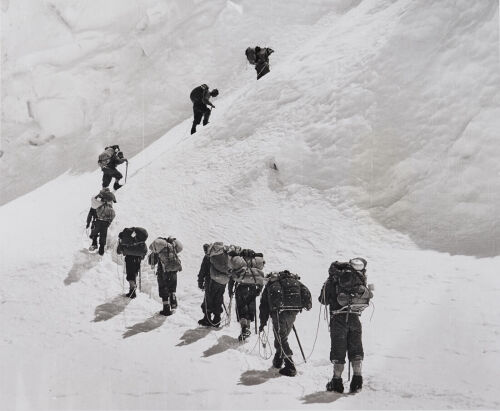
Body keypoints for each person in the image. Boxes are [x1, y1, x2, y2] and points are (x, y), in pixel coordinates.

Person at [319, 258, 374, 393]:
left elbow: (323, 300)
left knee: (338, 350)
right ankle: (357, 380)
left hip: (338, 319)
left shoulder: (333, 280)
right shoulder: (358, 277)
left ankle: (336, 382)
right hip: (354, 317)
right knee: (356, 350)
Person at [259, 270, 312, 377]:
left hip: (279, 311)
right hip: (293, 311)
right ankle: (278, 360)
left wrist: (262, 322)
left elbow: (264, 305)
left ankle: (290, 366)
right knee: (282, 336)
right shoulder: (293, 282)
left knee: (281, 337)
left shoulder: (271, 284)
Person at [149, 236, 183, 316]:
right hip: (174, 270)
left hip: (163, 272)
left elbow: (152, 262)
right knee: (172, 287)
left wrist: (153, 255)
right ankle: (173, 301)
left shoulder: (159, 249)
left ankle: (166, 308)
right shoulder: (172, 246)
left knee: (163, 288)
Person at [197, 244, 227, 327]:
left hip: (211, 281)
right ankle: (217, 319)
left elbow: (202, 270)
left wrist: (200, 282)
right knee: (218, 298)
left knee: (208, 299)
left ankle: (207, 318)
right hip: (222, 282)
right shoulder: (222, 257)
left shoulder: (208, 257)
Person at [116, 227, 148, 299]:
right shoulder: (139, 239)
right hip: (138, 257)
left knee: (130, 273)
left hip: (130, 257)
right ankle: (133, 289)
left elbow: (119, 250)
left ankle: (132, 291)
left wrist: (120, 249)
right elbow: (144, 249)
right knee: (134, 272)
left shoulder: (126, 239)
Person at [88, 189, 116, 255]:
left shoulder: (98, 198)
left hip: (98, 219)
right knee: (103, 234)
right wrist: (109, 222)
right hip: (105, 220)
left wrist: (88, 221)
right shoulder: (109, 198)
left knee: (95, 231)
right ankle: (101, 248)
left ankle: (95, 244)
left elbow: (92, 209)